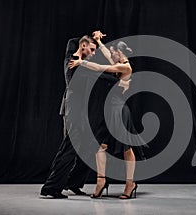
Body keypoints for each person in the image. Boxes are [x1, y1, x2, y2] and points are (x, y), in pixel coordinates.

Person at [40, 35, 126, 199]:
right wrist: (118, 78)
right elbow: (101, 75)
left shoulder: (78, 57)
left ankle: (73, 183)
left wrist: (93, 39)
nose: (93, 53)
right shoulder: (74, 63)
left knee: (88, 149)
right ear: (83, 46)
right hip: (73, 112)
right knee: (69, 149)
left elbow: (72, 42)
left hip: (81, 113)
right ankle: (50, 187)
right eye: (91, 49)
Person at [69, 37, 148, 199]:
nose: (110, 55)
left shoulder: (125, 67)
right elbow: (106, 54)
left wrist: (80, 63)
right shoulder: (118, 62)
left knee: (126, 148)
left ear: (119, 53)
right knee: (100, 146)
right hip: (109, 110)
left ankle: (130, 183)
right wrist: (99, 41)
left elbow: (98, 67)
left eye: (113, 53)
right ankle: (101, 181)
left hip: (119, 110)